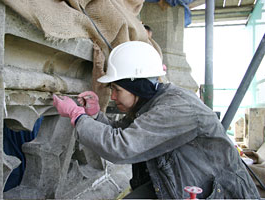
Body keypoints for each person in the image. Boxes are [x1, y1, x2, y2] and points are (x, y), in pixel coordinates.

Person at [52, 41, 260, 199]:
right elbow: (124, 133)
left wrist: (77, 116)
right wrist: (95, 115)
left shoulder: (175, 108)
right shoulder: (153, 103)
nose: (113, 97)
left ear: (138, 87)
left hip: (218, 194)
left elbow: (121, 146)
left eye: (117, 89)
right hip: (178, 183)